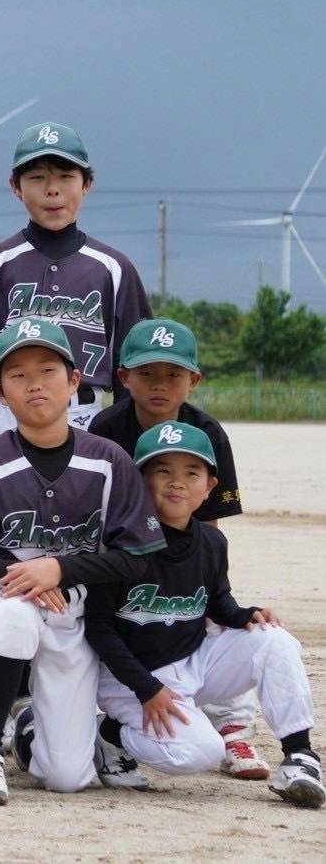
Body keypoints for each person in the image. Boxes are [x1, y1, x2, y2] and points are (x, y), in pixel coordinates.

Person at [0, 318, 167, 805]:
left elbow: (136, 557)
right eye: (17, 375)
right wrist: (29, 577)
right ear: (0, 392)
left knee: (67, 775)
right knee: (15, 617)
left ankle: (28, 727)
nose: (34, 384)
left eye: (47, 370)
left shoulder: (109, 460)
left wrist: (61, 570)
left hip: (73, 606)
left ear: (74, 382)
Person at [84, 421, 322, 809]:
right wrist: (147, 689)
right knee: (199, 753)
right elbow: (99, 630)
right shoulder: (120, 543)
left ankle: (299, 756)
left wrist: (247, 614)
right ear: (139, 480)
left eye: (191, 473)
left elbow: (217, 604)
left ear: (209, 486)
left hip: (192, 661)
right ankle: (109, 734)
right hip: (129, 677)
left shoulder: (211, 541)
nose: (177, 482)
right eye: (162, 470)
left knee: (274, 638)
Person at [88, 317, 259, 781]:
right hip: (123, 556)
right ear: (124, 378)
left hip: (184, 550)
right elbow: (97, 510)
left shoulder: (208, 431)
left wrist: (199, 578)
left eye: (173, 374)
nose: (160, 385)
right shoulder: (107, 428)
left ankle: (233, 728)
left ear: (193, 380)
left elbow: (208, 522)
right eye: (147, 373)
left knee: (216, 620)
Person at [0, 121, 150, 451]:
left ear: (87, 184)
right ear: (16, 186)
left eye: (66, 176)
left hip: (86, 415)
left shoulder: (114, 269)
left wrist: (124, 449)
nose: (52, 190)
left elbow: (132, 367)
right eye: (37, 177)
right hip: (6, 416)